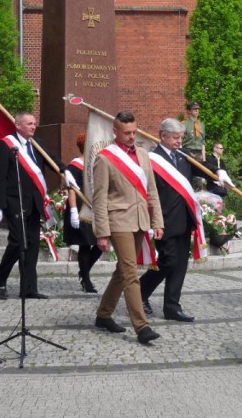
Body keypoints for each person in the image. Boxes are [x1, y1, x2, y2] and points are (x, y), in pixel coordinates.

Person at [140, 118, 232, 321]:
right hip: (164, 220)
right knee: (167, 261)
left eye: (181, 137)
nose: (179, 141)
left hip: (185, 219)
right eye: (175, 137)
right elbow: (148, 193)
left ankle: (172, 306)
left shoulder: (183, 156)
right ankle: (140, 293)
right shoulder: (152, 160)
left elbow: (202, 167)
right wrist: (152, 222)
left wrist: (218, 171)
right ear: (163, 136)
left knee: (180, 264)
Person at [92, 112, 164, 344]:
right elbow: (99, 198)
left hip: (141, 219)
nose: (132, 136)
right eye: (127, 133)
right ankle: (141, 326)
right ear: (115, 131)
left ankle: (103, 314)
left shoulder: (143, 155)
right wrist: (101, 232)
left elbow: (152, 191)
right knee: (130, 272)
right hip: (118, 221)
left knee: (122, 271)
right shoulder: (105, 159)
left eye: (134, 132)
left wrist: (158, 222)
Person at [0, 112, 71, 299]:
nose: (33, 127)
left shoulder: (37, 144)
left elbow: (51, 159)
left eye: (34, 123)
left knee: (32, 244)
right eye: (29, 124)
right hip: (14, 201)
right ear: (18, 125)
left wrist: (64, 170)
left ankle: (28, 288)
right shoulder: (6, 146)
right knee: (19, 241)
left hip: (34, 202)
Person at [64, 132, 103, 293]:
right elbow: (72, 189)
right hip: (80, 207)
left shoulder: (95, 163)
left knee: (101, 243)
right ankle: (86, 279)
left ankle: (84, 271)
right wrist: (73, 210)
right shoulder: (74, 166)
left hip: (95, 206)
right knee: (86, 244)